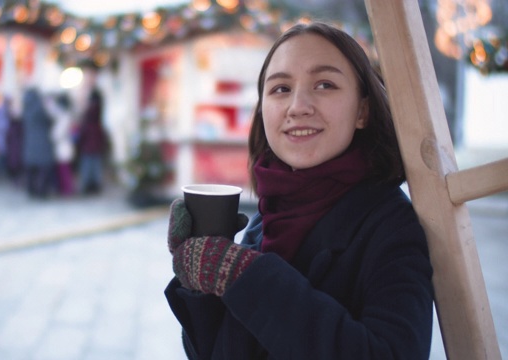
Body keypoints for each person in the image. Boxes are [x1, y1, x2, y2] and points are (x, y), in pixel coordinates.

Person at [164, 22, 434, 359]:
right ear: (262, 110)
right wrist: (201, 284)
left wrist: (245, 276)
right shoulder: (267, 216)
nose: (298, 106)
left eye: (324, 84)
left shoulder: (391, 225)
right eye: (280, 89)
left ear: (362, 110)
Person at [21, 87, 56, 198]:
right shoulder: (40, 108)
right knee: (43, 170)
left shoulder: (26, 108)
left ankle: (32, 190)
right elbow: (49, 120)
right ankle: (41, 191)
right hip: (42, 142)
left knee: (32, 171)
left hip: (30, 143)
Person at [76, 88, 108, 195]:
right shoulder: (100, 113)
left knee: (88, 164)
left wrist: (79, 141)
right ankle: (95, 185)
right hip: (96, 142)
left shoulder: (88, 113)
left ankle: (88, 185)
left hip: (88, 144)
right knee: (95, 164)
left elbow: (83, 130)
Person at [45, 92, 76, 196]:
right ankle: (66, 189)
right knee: (64, 170)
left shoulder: (64, 116)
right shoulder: (65, 114)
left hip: (63, 147)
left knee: (64, 170)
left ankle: (67, 190)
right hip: (64, 147)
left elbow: (57, 134)